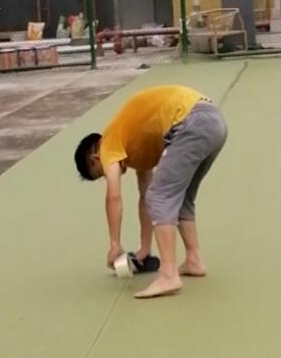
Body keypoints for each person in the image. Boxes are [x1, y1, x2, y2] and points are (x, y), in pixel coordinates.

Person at [74, 84, 228, 298]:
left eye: (100, 173)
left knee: (161, 196)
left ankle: (169, 275)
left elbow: (114, 197)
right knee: (178, 196)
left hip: (191, 121)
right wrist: (145, 248)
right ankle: (194, 260)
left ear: (95, 158)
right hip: (214, 122)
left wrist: (114, 244)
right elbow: (145, 197)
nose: (108, 175)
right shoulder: (134, 146)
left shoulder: (108, 142)